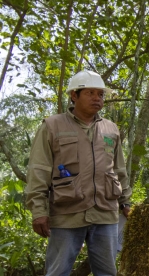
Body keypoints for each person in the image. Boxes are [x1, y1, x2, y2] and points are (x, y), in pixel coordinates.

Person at [25, 70, 132, 276]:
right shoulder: (52, 126)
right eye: (90, 93)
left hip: (105, 213)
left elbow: (118, 169)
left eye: (100, 94)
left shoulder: (111, 129)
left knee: (108, 273)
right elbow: (39, 170)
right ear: (74, 96)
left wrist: (125, 203)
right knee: (58, 272)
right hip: (67, 213)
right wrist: (39, 211)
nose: (97, 98)